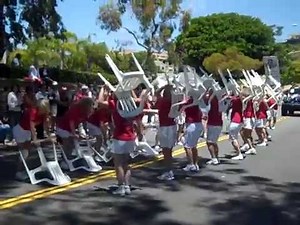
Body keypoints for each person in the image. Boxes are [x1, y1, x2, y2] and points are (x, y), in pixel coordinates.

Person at [97, 85, 138, 196]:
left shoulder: (115, 103)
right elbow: (138, 99)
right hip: (130, 136)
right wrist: (130, 90)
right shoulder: (131, 104)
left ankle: (121, 186)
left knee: (118, 163)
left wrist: (102, 89)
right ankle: (127, 185)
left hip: (119, 136)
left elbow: (99, 102)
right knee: (126, 162)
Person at [13, 99, 51, 180]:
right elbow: (32, 126)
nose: (41, 110)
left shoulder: (44, 114)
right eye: (40, 108)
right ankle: (18, 172)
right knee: (24, 153)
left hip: (27, 132)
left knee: (27, 152)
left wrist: (49, 136)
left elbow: (46, 126)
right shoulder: (33, 111)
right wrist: (35, 139)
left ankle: (23, 170)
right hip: (20, 130)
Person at [56, 97, 95, 162]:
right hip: (62, 128)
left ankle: (67, 158)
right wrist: (74, 134)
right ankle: (64, 160)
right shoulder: (75, 109)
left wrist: (83, 133)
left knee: (72, 144)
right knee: (67, 143)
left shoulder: (85, 112)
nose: (92, 106)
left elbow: (82, 123)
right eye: (91, 105)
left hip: (70, 129)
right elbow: (72, 122)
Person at [155, 85, 177, 180]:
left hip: (164, 127)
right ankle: (169, 170)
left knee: (165, 151)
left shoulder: (162, 101)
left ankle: (168, 171)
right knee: (169, 150)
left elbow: (156, 93)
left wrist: (164, 87)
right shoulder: (174, 102)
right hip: (172, 126)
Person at [182, 97, 203, 172]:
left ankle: (191, 164)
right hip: (198, 124)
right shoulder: (198, 101)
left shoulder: (189, 101)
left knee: (187, 146)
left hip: (192, 124)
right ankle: (195, 164)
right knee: (193, 146)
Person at [205, 89, 223, 165]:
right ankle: (217, 157)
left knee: (209, 142)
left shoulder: (210, 100)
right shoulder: (221, 100)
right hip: (219, 123)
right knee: (214, 142)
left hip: (212, 123)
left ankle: (214, 158)